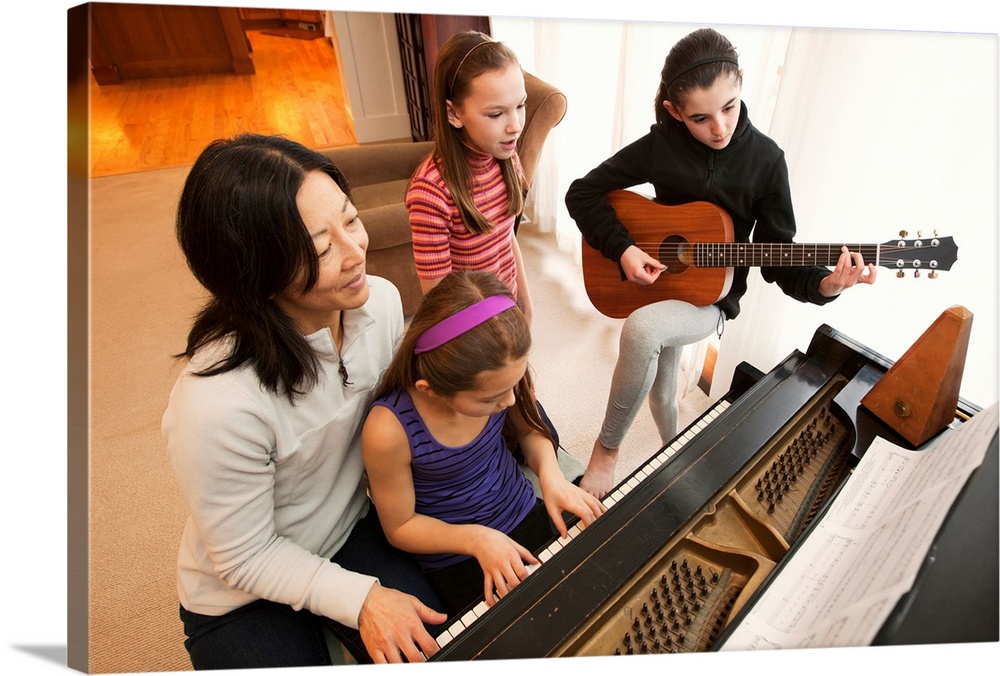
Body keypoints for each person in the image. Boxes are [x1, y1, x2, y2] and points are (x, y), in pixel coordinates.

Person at [161, 133, 447, 669]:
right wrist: (360, 599)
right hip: (241, 594)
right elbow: (244, 556)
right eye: (320, 248)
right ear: (255, 274)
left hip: (348, 530)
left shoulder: (379, 303)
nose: (355, 251)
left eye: (351, 220)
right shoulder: (215, 401)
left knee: (440, 640)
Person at [565, 28, 877, 498]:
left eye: (729, 107)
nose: (720, 128)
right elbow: (581, 192)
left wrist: (826, 285)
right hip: (656, 281)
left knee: (643, 332)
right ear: (674, 112)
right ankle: (673, 454)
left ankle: (605, 454)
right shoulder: (661, 145)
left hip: (712, 298)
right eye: (700, 117)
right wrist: (624, 248)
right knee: (663, 388)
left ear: (742, 83)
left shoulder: (767, 161)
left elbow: (778, 257)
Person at [361, 270, 606, 616]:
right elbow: (400, 526)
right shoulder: (388, 430)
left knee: (599, 583)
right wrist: (476, 539)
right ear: (430, 389)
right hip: (458, 553)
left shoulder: (501, 372)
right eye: (490, 399)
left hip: (522, 510)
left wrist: (551, 477)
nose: (508, 402)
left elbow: (529, 431)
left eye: (515, 384)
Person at [406, 30, 535, 324]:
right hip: (472, 329)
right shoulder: (431, 193)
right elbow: (439, 300)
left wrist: (525, 301)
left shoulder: (506, 157)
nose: (515, 126)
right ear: (454, 114)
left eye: (520, 106)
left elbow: (506, 238)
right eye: (495, 114)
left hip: (507, 308)